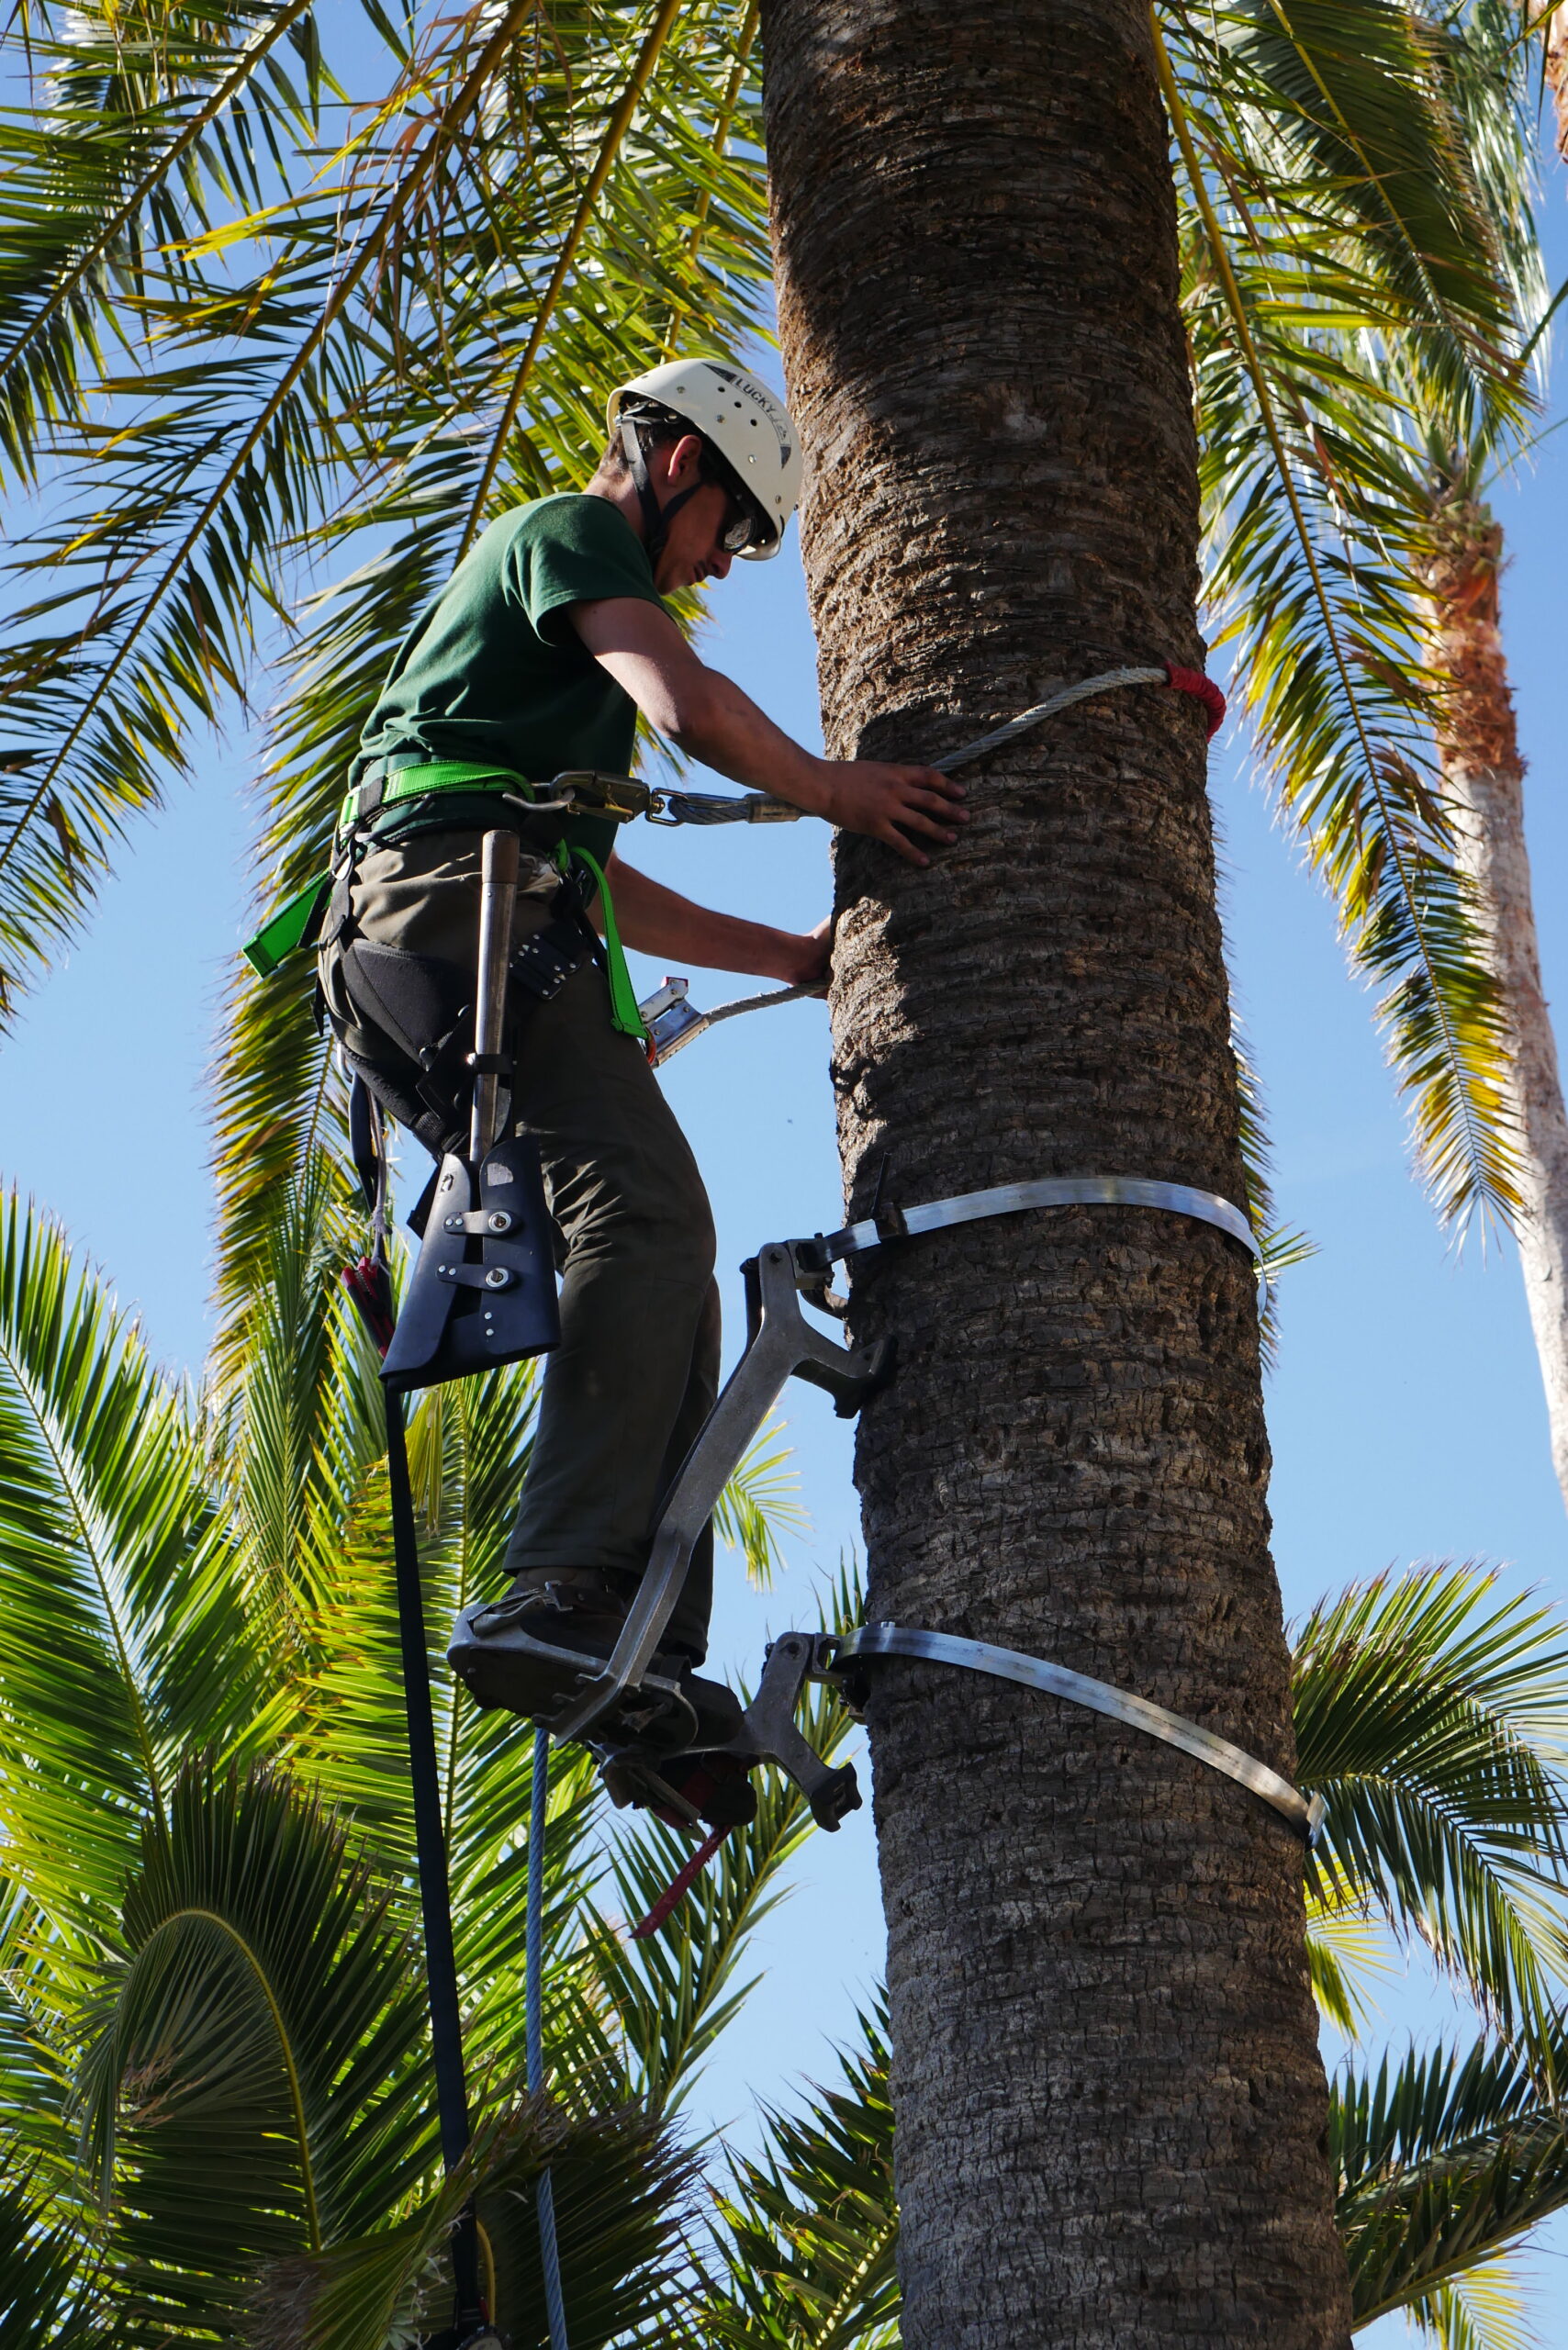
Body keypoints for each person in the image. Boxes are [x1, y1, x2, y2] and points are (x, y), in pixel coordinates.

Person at [319, 357, 967, 1744]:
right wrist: (840, 790)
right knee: (647, 1215)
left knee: (665, 1259)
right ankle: (560, 1588)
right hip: (448, 910)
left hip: (453, 922)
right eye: (731, 531)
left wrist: (791, 960)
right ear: (681, 466)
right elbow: (692, 706)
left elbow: (602, 877)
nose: (719, 567)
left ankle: (635, 1653)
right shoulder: (569, 535)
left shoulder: (554, 696)